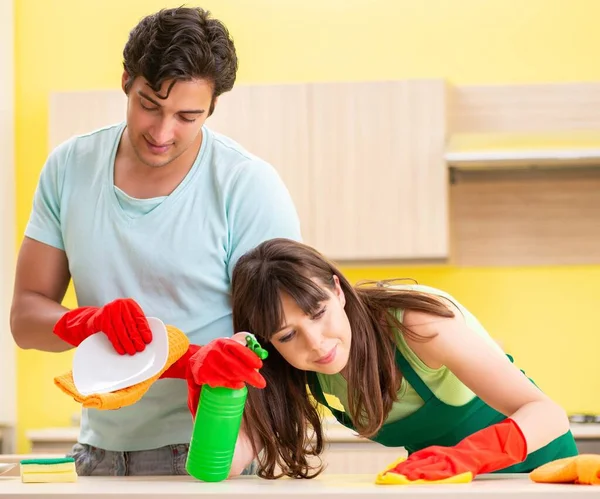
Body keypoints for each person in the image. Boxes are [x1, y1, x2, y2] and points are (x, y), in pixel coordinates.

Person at [10, 7, 301, 476]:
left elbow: (289, 337)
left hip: (207, 452)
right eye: (150, 105)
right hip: (97, 452)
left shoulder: (247, 185)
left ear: (213, 107)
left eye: (188, 116)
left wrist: (213, 359)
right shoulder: (69, 168)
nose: (163, 133)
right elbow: (25, 319)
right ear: (127, 81)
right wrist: (85, 323)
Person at [186, 238, 578, 480]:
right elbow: (222, 466)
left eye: (318, 312)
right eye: (288, 335)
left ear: (337, 290)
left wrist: (465, 459)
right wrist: (222, 382)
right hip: (447, 486)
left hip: (538, 477)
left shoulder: (417, 325)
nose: (317, 343)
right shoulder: (294, 369)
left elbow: (547, 414)